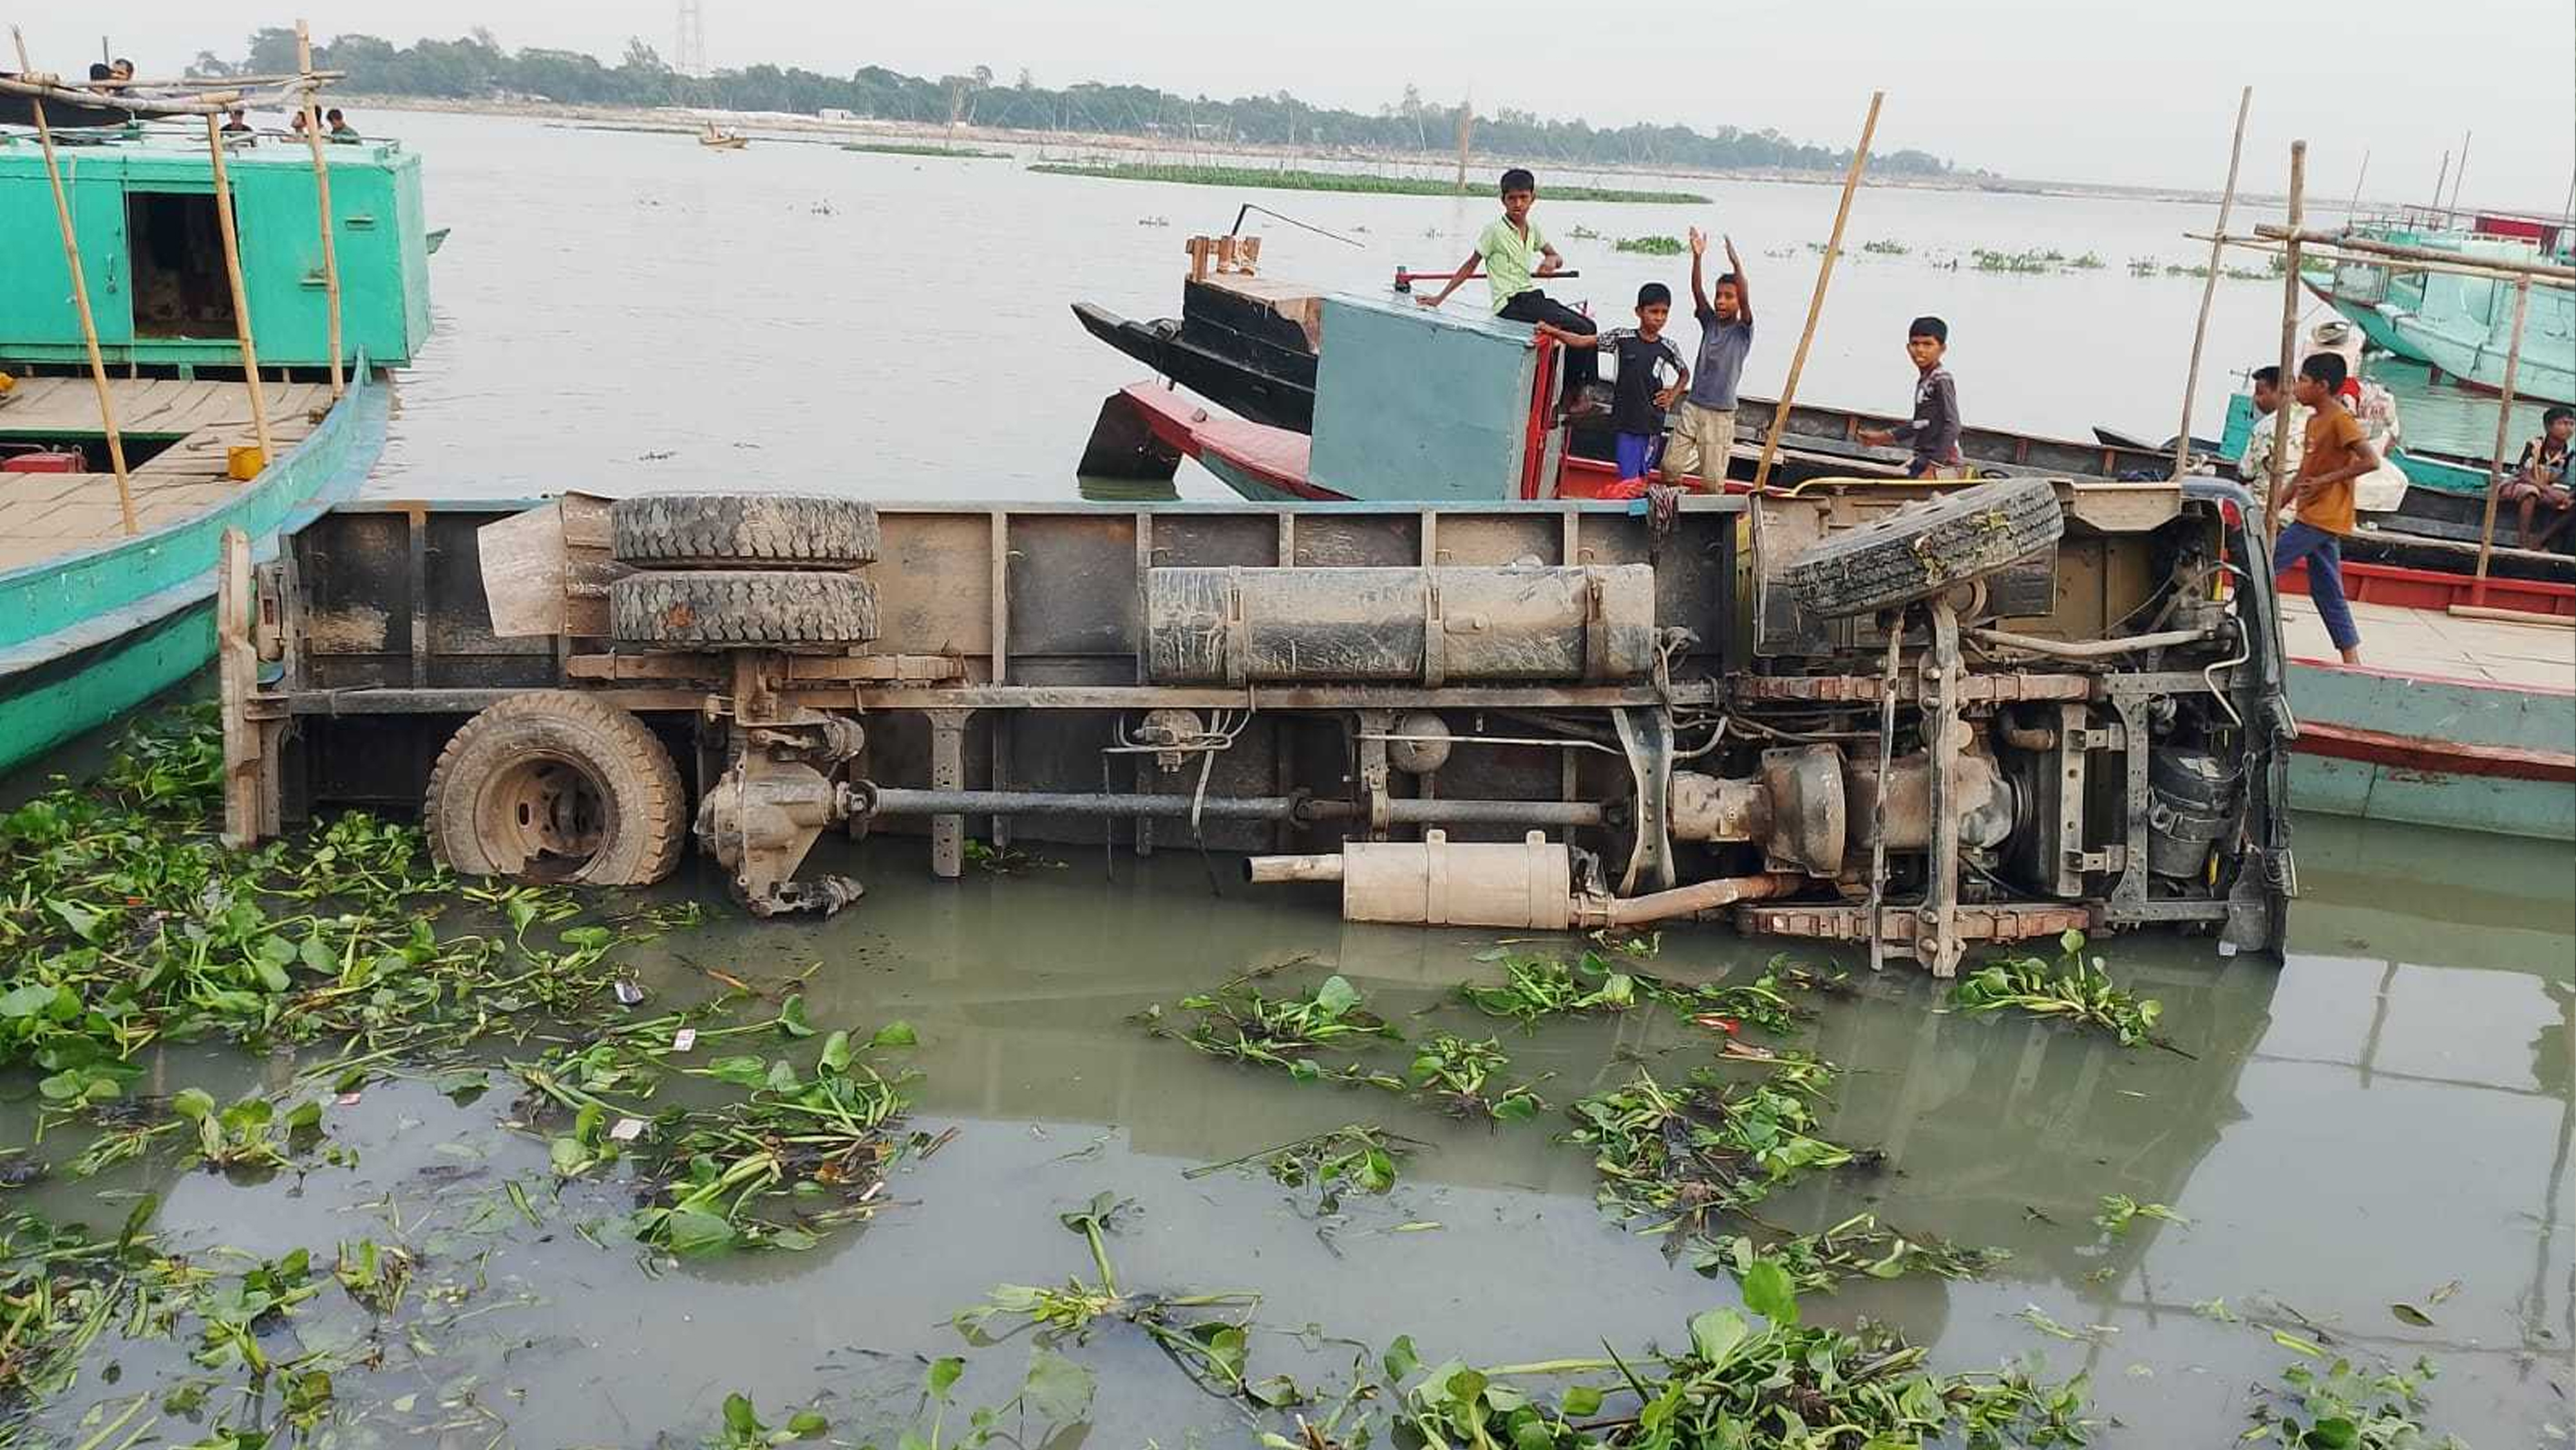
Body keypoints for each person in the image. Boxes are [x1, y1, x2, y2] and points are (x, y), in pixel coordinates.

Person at [1416, 167, 1597, 419]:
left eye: (1523, 198)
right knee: (1581, 328)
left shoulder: (1532, 229)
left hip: (1531, 298)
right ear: (1503, 200)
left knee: (1589, 326)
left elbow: (1556, 256)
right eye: (1512, 198)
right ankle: (1573, 395)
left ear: (1533, 198)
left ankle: (1580, 392)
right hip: (1511, 303)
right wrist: (1439, 298)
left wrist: (1550, 262)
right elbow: (1470, 265)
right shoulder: (1495, 231)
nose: (1518, 204)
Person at [2272, 352, 2380, 665]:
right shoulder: (2314, 421)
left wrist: (2326, 481)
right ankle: (2352, 659)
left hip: (2322, 517)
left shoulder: (2340, 420)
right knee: (2327, 591)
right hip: (2313, 514)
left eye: (2303, 381)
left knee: (2263, 568)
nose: (2297, 387)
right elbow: (2304, 473)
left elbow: (2370, 461)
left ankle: (2248, 638)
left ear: (2322, 386)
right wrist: (2274, 508)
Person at [1537, 283, 1688, 498]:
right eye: (1654, 312)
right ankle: (1630, 511)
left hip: (1652, 424)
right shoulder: (1622, 338)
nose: (1659, 318)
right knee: (1628, 477)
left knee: (1641, 476)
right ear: (1639, 312)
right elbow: (1583, 341)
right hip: (1626, 422)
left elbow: (1685, 374)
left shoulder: (1668, 347)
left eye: (1664, 313)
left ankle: (1636, 512)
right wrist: (1552, 331)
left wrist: (1672, 396)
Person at [1662, 227, 1752, 488]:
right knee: (1670, 467)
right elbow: (1697, 291)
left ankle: (1709, 509)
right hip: (1693, 406)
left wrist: (1736, 265)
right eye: (1719, 296)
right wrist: (1697, 257)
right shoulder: (1710, 323)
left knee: (1712, 481)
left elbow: (1745, 297)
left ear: (1739, 301)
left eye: (1729, 297)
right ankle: (1673, 503)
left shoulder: (1743, 331)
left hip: (1720, 415)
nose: (1721, 302)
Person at [1856, 317, 1962, 478]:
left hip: (1943, 465)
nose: (1920, 350)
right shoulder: (1926, 380)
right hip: (1923, 459)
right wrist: (1881, 437)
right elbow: (1921, 423)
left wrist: (1934, 467)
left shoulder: (1941, 380)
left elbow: (1953, 425)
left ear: (1942, 349)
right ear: (1908, 347)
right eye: (1915, 344)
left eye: (1928, 344)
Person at [2500, 406, 2575, 550]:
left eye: (2572, 424)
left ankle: (2541, 540)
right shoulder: (2535, 445)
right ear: (2548, 427)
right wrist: (2549, 490)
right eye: (2563, 423)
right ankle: (2522, 544)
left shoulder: (2570, 454)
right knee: (2531, 492)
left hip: (2544, 491)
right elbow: (2524, 474)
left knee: (2571, 504)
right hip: (2519, 485)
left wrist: (2565, 496)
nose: (2568, 428)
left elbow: (2567, 482)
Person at [2237, 364, 2310, 494]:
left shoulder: (2265, 427)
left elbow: (2246, 473)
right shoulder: (2314, 418)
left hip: (2268, 502)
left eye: (2260, 393)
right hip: (2306, 501)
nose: (2255, 399)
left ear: (2280, 392)